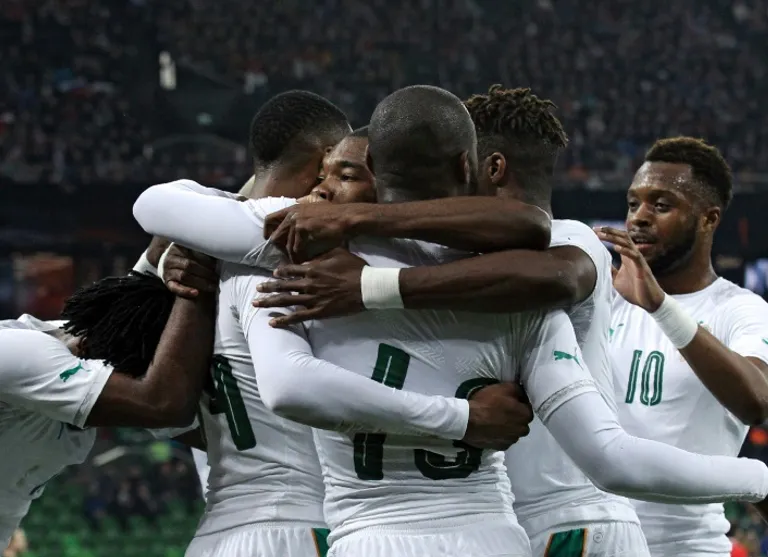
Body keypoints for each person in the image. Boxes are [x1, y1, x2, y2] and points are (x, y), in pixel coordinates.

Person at [135, 85, 768, 556]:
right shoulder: (516, 290)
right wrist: (757, 478)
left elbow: (158, 206)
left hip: (377, 535)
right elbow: (612, 459)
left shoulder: (296, 264)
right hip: (502, 532)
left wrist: (360, 267)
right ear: (467, 168)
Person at [133, 99, 541, 556]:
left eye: (345, 175)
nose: (327, 190)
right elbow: (288, 386)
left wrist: (163, 256)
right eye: (328, 173)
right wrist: (461, 417)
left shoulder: (272, 244)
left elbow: (152, 204)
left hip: (230, 528)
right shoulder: (301, 240)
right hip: (326, 524)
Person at [596, 137, 768, 557]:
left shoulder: (739, 309)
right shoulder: (603, 301)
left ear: (709, 219)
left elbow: (757, 400)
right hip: (593, 541)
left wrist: (660, 307)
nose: (639, 217)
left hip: (686, 547)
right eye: (633, 203)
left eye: (661, 205)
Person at [0, 251, 216, 548]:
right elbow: (162, 405)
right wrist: (197, 289)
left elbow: (144, 276)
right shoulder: (20, 352)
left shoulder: (106, 341)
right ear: (86, 350)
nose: (120, 389)